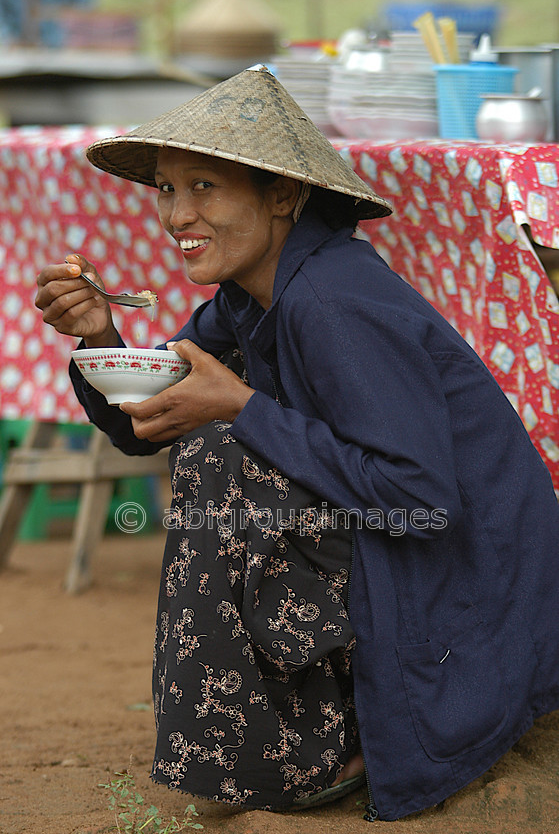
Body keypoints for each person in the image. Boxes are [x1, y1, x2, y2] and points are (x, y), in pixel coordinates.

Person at [35, 65, 559, 822]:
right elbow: (147, 426)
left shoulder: (332, 301)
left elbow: (420, 500)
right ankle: (302, 731)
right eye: (166, 189)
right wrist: (100, 339)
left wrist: (241, 405)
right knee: (220, 445)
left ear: (282, 196)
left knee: (225, 453)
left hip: (466, 583)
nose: (177, 213)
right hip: (407, 546)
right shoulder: (250, 296)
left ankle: (340, 736)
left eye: (203, 187)